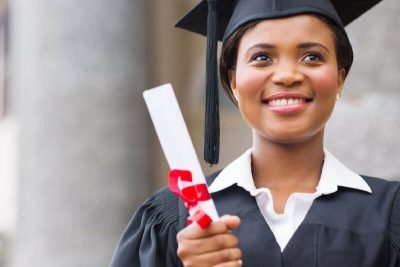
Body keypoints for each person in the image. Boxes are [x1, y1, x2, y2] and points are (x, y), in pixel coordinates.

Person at [109, 0, 400, 266]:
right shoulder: (171, 222)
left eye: (312, 57)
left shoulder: (391, 214)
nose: (287, 75)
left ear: (339, 77)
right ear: (233, 80)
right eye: (262, 57)